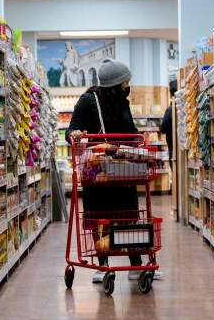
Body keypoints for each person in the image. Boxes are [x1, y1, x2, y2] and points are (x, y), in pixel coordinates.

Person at [67, 59, 162, 283]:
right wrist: (75, 134)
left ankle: (136, 265)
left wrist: (140, 143)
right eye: (125, 82)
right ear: (116, 83)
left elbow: (129, 131)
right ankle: (103, 267)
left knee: (128, 217)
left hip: (123, 173)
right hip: (98, 173)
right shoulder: (88, 101)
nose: (128, 86)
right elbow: (71, 129)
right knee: (101, 220)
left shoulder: (122, 103)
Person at [159, 79, 177, 171]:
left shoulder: (171, 109)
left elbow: (162, 129)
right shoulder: (185, 107)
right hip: (184, 146)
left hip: (173, 147)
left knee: (175, 172)